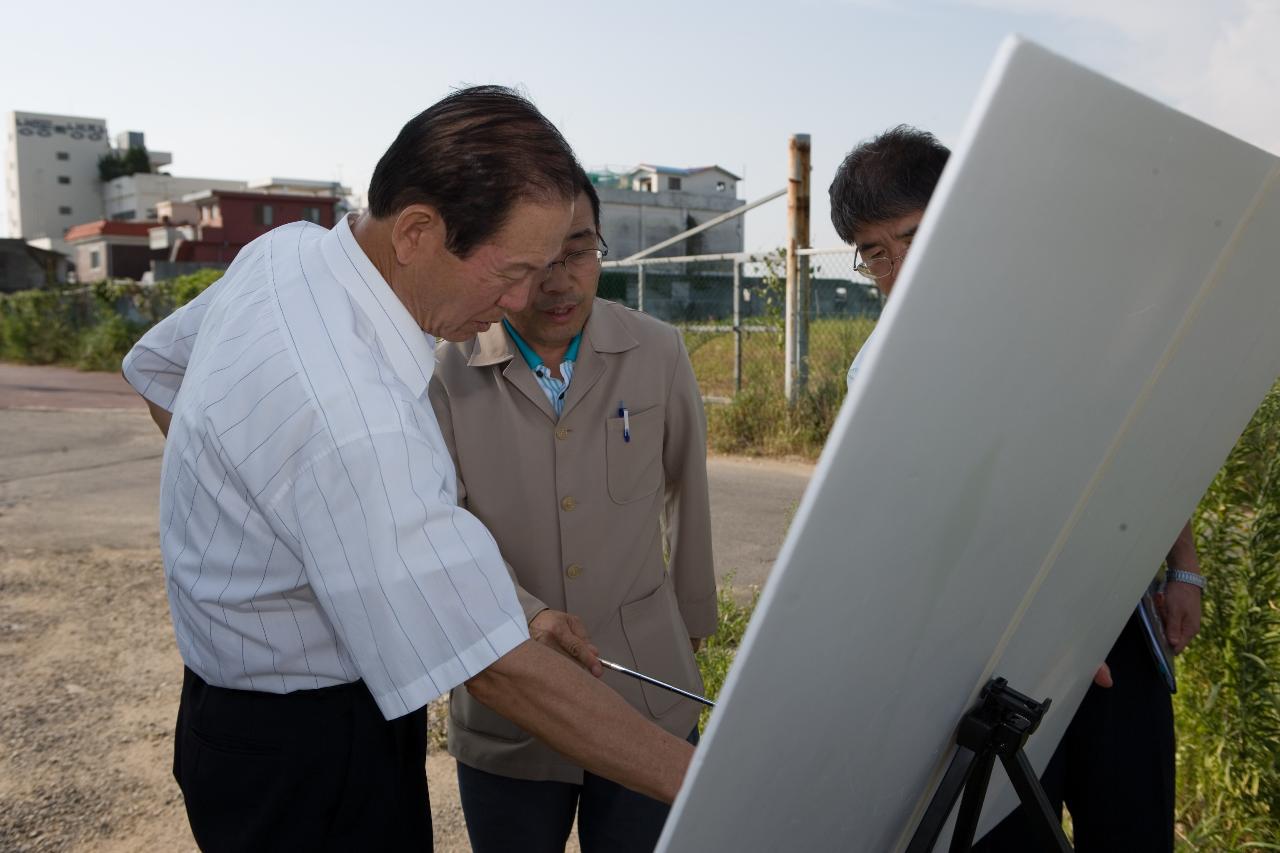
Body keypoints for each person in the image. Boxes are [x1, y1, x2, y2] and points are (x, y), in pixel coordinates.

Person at [120, 86, 694, 851]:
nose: (525, 297)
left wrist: (260, 524)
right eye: (512, 270)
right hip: (308, 749)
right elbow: (498, 670)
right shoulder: (352, 413)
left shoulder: (288, 254)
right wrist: (703, 780)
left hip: (239, 719)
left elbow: (159, 371)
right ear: (419, 231)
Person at [830, 125, 1206, 852]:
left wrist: (1182, 565)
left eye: (915, 237)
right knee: (1008, 833)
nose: (900, 270)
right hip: (991, 657)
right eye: (877, 253)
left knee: (1132, 824)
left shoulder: (1079, 314)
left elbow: (1147, 446)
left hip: (1118, 619)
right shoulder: (879, 371)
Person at [428, 165, 717, 853]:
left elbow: (689, 490)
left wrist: (695, 617)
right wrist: (525, 615)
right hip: (512, 702)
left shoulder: (657, 351)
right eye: (541, 260)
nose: (560, 280)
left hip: (647, 688)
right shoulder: (443, 372)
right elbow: (442, 524)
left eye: (579, 251)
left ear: (601, 249)